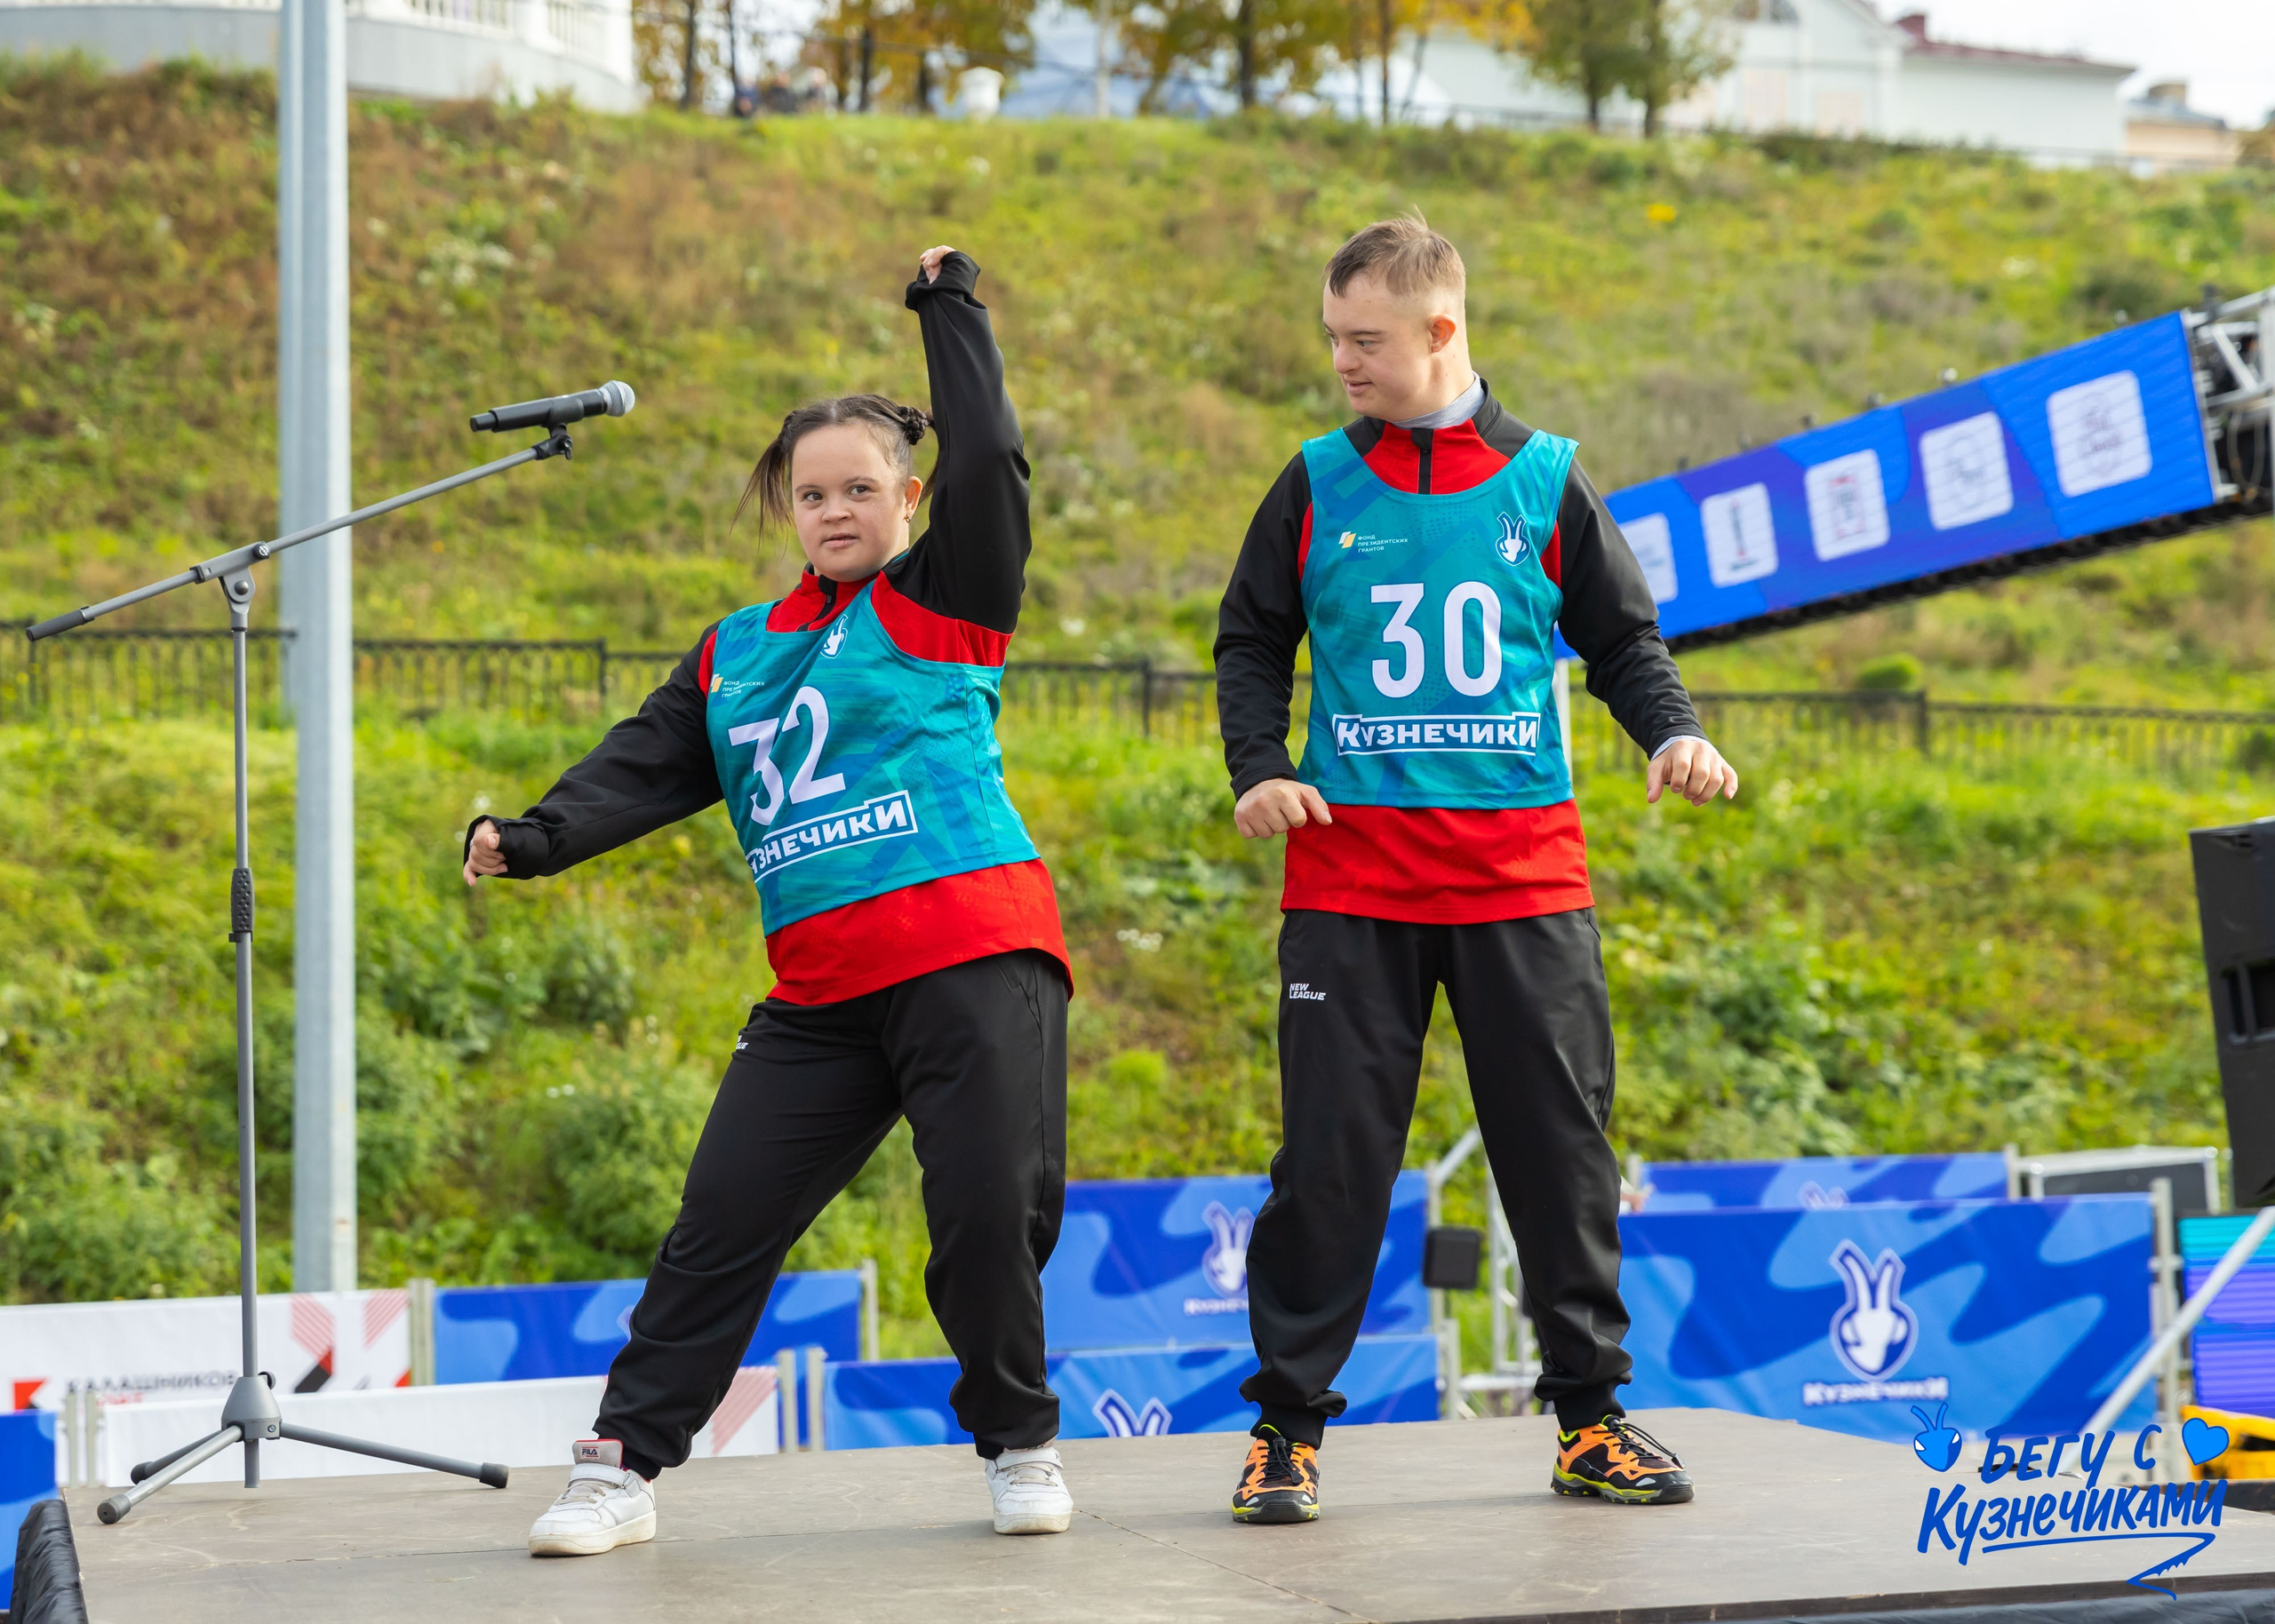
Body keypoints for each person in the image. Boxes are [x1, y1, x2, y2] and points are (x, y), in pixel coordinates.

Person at [463, 245, 1077, 1555]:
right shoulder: (736, 652)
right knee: (718, 1222)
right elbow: (647, 760)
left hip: (973, 956)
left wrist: (952, 310)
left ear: (911, 497)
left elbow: (997, 469)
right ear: (788, 510)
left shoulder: (948, 599)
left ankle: (1018, 1441)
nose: (836, 510)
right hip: (820, 997)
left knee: (982, 1220)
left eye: (862, 489)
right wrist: (533, 838)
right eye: (813, 495)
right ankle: (620, 1468)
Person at [1212, 216, 1738, 1524]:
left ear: (1444, 332)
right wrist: (1257, 765)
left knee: (1562, 1160)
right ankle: (1286, 1433)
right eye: (1333, 337)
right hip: (1352, 891)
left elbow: (1621, 642)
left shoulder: (1548, 477)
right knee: (1330, 1165)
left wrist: (1673, 732)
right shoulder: (1313, 480)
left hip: (1524, 886)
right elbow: (1248, 638)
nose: (1342, 361)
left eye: (1366, 340)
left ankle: (1591, 1421)